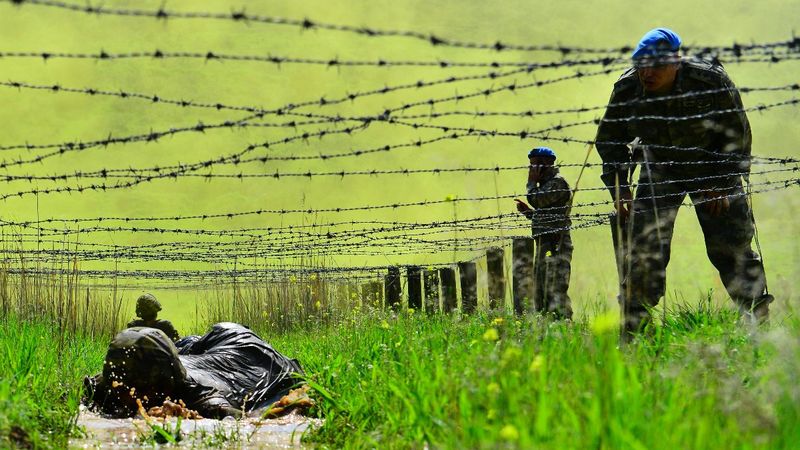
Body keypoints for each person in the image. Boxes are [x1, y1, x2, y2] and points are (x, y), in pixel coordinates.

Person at [594, 27, 772, 338]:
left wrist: (722, 181)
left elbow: (737, 133)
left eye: (657, 65)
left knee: (731, 247)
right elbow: (609, 140)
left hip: (711, 166)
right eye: (641, 65)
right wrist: (620, 188)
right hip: (659, 167)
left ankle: (759, 325)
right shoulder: (628, 88)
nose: (647, 73)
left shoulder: (709, 81)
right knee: (645, 251)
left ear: (677, 61)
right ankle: (637, 333)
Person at [84, 322, 304, 418]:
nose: (123, 395)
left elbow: (241, 420)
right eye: (121, 389)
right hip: (199, 356)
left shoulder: (200, 397)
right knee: (190, 343)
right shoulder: (113, 382)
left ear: (157, 385)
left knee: (219, 331)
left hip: (242, 349)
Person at [515, 146, 573, 319]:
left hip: (556, 243)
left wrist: (531, 183)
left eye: (535, 165)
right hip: (545, 242)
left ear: (546, 164)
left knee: (555, 288)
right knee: (541, 289)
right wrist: (530, 214)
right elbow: (547, 212)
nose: (532, 170)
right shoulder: (547, 185)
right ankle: (547, 325)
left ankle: (564, 324)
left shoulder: (557, 182)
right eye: (531, 166)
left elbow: (537, 200)